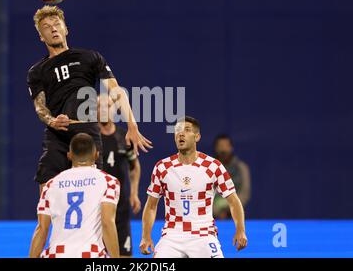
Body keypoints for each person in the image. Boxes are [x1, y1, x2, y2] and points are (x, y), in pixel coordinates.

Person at [27, 5, 152, 193]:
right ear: (41, 36)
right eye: (46, 26)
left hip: (87, 131)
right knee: (47, 184)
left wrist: (132, 125)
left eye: (56, 23)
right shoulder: (36, 71)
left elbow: (116, 91)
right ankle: (44, 224)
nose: (53, 28)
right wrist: (52, 121)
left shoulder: (89, 57)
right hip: (57, 134)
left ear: (65, 28)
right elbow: (40, 107)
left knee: (92, 190)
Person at [140, 116, 248, 258]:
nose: (181, 134)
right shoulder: (163, 167)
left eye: (187, 130)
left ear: (197, 137)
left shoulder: (213, 166)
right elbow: (151, 205)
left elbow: (233, 201)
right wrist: (146, 236)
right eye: (177, 131)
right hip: (172, 236)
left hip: (203, 235)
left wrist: (240, 230)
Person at [29, 133, 120, 258]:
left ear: (69, 155)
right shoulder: (109, 181)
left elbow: (42, 229)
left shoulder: (51, 185)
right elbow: (107, 223)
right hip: (91, 254)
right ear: (96, 154)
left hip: (56, 254)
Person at [98, 94, 142, 257]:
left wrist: (134, 193)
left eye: (107, 106)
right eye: (99, 107)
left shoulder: (124, 137)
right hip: (96, 208)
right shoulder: (91, 138)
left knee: (124, 255)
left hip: (120, 206)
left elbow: (134, 166)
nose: (103, 110)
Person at [213, 134, 251, 219]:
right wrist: (216, 212)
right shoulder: (208, 169)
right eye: (220, 146)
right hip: (210, 217)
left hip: (236, 216)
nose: (223, 149)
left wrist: (231, 209)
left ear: (231, 148)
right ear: (216, 148)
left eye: (226, 146)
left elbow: (245, 192)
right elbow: (203, 193)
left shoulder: (242, 168)